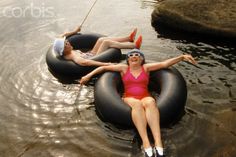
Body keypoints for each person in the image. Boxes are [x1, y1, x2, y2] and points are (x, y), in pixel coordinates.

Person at [79, 49, 197, 157]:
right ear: (128, 60)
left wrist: (181, 57)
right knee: (137, 104)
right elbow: (104, 69)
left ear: (141, 59)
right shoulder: (123, 69)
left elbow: (164, 64)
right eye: (131, 55)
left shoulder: (146, 68)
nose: (134, 56)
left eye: (137, 55)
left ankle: (158, 142)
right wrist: (88, 76)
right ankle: (145, 142)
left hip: (145, 96)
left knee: (151, 101)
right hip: (129, 97)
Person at [53, 25, 142, 67]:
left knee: (101, 40)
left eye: (67, 42)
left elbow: (63, 35)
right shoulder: (72, 55)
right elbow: (84, 62)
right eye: (66, 44)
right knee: (106, 42)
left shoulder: (66, 49)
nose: (68, 42)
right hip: (93, 58)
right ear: (63, 50)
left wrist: (75, 31)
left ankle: (128, 38)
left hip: (90, 54)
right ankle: (134, 46)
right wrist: (105, 64)